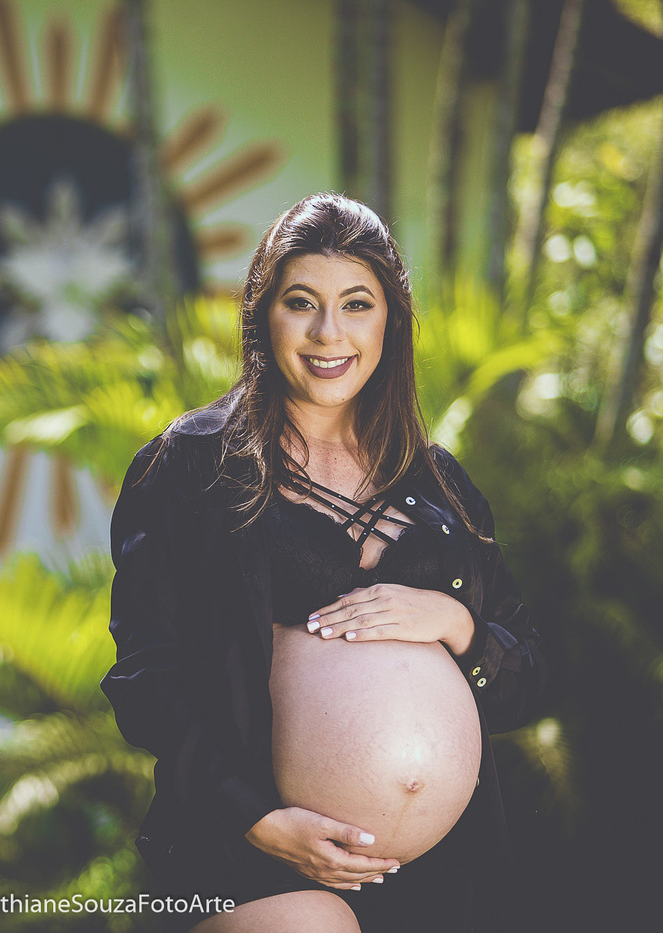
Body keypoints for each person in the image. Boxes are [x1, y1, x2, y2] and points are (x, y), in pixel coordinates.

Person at [101, 192, 546, 933]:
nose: (328, 333)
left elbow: (524, 680)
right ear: (262, 314)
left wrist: (455, 622)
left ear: (390, 321)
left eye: (357, 305)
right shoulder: (193, 466)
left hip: (442, 875)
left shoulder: (440, 485)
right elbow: (148, 675)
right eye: (301, 302)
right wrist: (256, 818)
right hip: (251, 852)